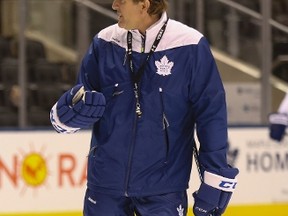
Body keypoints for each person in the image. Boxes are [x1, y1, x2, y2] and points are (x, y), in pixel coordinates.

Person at [50, 0, 239, 215]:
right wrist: (68, 114)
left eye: (121, 1)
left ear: (144, 5)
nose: (114, 5)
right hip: (105, 186)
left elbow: (211, 115)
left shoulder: (190, 45)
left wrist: (215, 175)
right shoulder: (105, 42)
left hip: (163, 191)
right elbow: (78, 100)